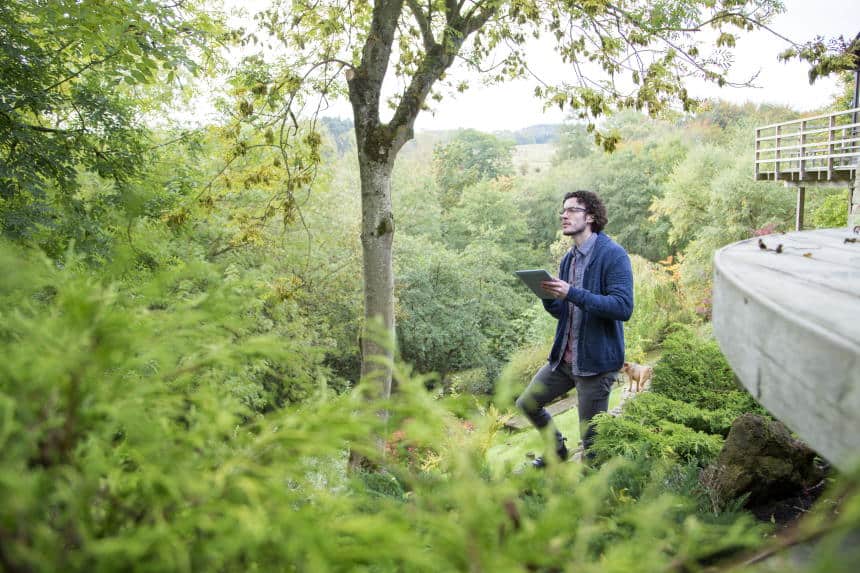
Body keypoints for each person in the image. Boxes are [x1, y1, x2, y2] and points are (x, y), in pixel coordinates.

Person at [516, 190, 633, 468]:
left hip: (596, 366)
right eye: (562, 211)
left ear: (590, 216)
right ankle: (556, 450)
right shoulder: (569, 259)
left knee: (592, 446)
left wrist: (571, 293)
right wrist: (549, 297)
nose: (564, 216)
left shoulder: (613, 255)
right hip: (565, 361)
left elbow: (622, 307)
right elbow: (565, 312)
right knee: (527, 403)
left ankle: (595, 499)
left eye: (571, 210)